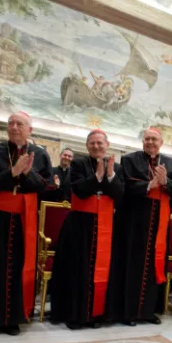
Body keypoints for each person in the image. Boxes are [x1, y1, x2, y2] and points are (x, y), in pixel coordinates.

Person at [0, 112, 52, 336]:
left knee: (17, 267)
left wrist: (26, 175)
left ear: (29, 130)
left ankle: (12, 319)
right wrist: (11, 173)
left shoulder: (40, 155)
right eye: (10, 123)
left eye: (20, 124)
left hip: (23, 220)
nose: (14, 127)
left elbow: (45, 187)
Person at [107, 128, 172, 326]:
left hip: (159, 222)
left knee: (153, 265)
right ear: (142, 141)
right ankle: (128, 312)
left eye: (154, 139)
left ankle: (148, 311)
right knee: (131, 264)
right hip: (133, 220)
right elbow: (123, 187)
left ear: (161, 142)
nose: (150, 142)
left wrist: (165, 182)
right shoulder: (129, 160)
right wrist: (149, 186)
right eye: (147, 139)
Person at [50, 131, 123, 329]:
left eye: (100, 143)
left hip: (106, 224)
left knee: (104, 269)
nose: (96, 146)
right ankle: (76, 315)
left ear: (107, 144)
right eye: (92, 143)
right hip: (80, 225)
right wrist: (97, 177)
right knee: (77, 268)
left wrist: (109, 176)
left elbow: (120, 194)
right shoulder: (79, 164)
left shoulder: (116, 167)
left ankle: (98, 314)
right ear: (87, 145)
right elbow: (78, 190)